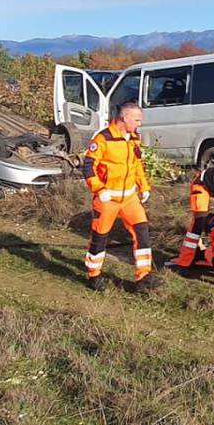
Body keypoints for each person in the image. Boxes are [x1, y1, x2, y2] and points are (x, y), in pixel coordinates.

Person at [83, 101, 156, 292]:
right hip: (107, 199)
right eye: (137, 120)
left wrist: (144, 186)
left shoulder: (134, 138)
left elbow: (137, 164)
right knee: (100, 237)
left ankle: (144, 277)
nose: (140, 124)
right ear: (125, 118)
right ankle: (93, 274)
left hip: (130, 198)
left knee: (142, 233)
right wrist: (99, 189)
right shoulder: (102, 139)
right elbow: (88, 167)